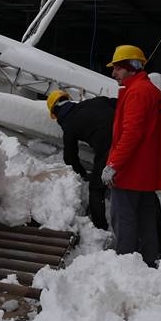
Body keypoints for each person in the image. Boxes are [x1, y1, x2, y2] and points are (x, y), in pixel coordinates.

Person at [101, 44, 161, 267]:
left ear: (131, 67)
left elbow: (131, 133)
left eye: (118, 69)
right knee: (145, 221)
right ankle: (147, 263)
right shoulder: (150, 91)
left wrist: (113, 164)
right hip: (145, 173)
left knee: (125, 220)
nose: (114, 74)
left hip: (131, 172)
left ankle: (126, 266)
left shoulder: (137, 92)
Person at [47, 90, 116, 230]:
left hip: (109, 149)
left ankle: (99, 230)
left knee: (96, 189)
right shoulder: (97, 101)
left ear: (55, 113)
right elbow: (122, 103)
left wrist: (82, 173)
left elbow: (70, 157)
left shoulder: (69, 125)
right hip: (130, 140)